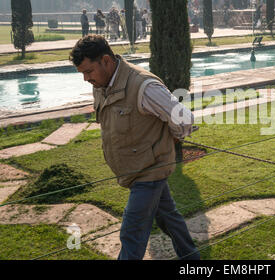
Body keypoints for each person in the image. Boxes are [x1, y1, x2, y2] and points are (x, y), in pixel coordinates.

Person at [69, 35, 201, 260]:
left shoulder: (144, 86)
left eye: (88, 71)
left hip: (149, 170)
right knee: (168, 219)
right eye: (82, 73)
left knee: (132, 233)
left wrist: (172, 139)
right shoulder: (101, 85)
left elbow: (185, 119)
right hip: (135, 169)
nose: (85, 78)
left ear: (106, 61)